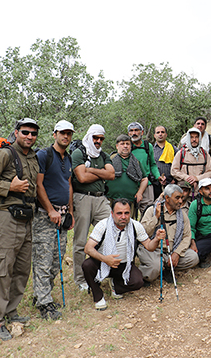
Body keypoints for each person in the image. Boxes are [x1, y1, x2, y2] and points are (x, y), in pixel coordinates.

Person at [0, 118, 40, 341]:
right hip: (5, 218)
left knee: (21, 269)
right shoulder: (5, 154)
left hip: (26, 218)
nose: (29, 136)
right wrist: (8, 187)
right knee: (0, 270)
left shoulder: (32, 156)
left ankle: (11, 311)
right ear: (16, 132)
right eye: (25, 132)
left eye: (33, 133)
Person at [82, 199, 165, 310]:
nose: (123, 217)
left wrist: (156, 239)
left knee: (138, 282)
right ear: (112, 214)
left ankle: (116, 286)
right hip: (103, 262)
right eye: (119, 213)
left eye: (126, 213)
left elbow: (149, 246)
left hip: (125, 264)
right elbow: (88, 249)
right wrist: (105, 259)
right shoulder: (103, 225)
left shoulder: (135, 226)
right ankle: (98, 296)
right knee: (87, 265)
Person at [33, 120, 75, 321]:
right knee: (43, 258)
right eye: (62, 133)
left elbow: (68, 185)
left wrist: (71, 212)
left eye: (69, 133)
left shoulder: (67, 158)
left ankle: (42, 295)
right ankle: (44, 303)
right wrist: (50, 210)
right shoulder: (44, 155)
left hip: (63, 215)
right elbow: (38, 184)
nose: (65, 136)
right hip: (44, 216)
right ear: (55, 134)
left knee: (57, 258)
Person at [71, 124, 115, 291]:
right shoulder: (78, 153)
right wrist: (100, 172)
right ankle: (81, 279)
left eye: (101, 138)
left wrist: (91, 169)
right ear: (89, 136)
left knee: (110, 233)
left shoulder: (103, 155)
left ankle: (106, 273)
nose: (98, 141)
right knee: (81, 241)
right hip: (82, 198)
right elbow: (81, 177)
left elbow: (111, 174)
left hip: (100, 199)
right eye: (95, 138)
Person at [138, 184, 199, 282]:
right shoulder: (152, 210)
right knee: (155, 267)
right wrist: (156, 217)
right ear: (167, 198)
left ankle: (167, 268)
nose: (180, 201)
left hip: (172, 250)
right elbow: (142, 232)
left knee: (193, 257)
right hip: (154, 250)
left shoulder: (182, 214)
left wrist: (177, 253)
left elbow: (187, 236)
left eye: (182, 198)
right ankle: (148, 271)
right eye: (177, 198)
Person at [106, 134, 146, 216]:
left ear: (131, 146)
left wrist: (139, 193)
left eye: (127, 144)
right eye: (122, 144)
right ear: (117, 146)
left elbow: (144, 179)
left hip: (129, 202)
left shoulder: (136, 162)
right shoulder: (110, 159)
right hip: (111, 200)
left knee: (127, 225)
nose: (125, 146)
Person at [128, 122, 162, 216]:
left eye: (136, 130)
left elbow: (153, 164)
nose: (134, 133)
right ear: (128, 134)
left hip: (147, 184)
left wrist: (158, 177)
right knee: (129, 213)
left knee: (148, 213)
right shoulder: (127, 146)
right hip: (131, 184)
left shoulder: (148, 146)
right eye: (131, 131)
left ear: (142, 132)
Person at [171, 128, 211, 193]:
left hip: (201, 191)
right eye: (191, 137)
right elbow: (174, 170)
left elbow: (210, 172)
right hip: (184, 192)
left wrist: (197, 178)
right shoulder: (181, 153)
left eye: (196, 137)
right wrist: (187, 178)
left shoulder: (205, 154)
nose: (194, 140)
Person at [153, 125, 175, 198]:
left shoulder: (173, 148)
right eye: (158, 132)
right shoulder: (151, 150)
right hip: (155, 185)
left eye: (162, 132)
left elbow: (179, 164)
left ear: (166, 135)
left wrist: (174, 179)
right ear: (154, 135)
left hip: (171, 184)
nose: (160, 134)